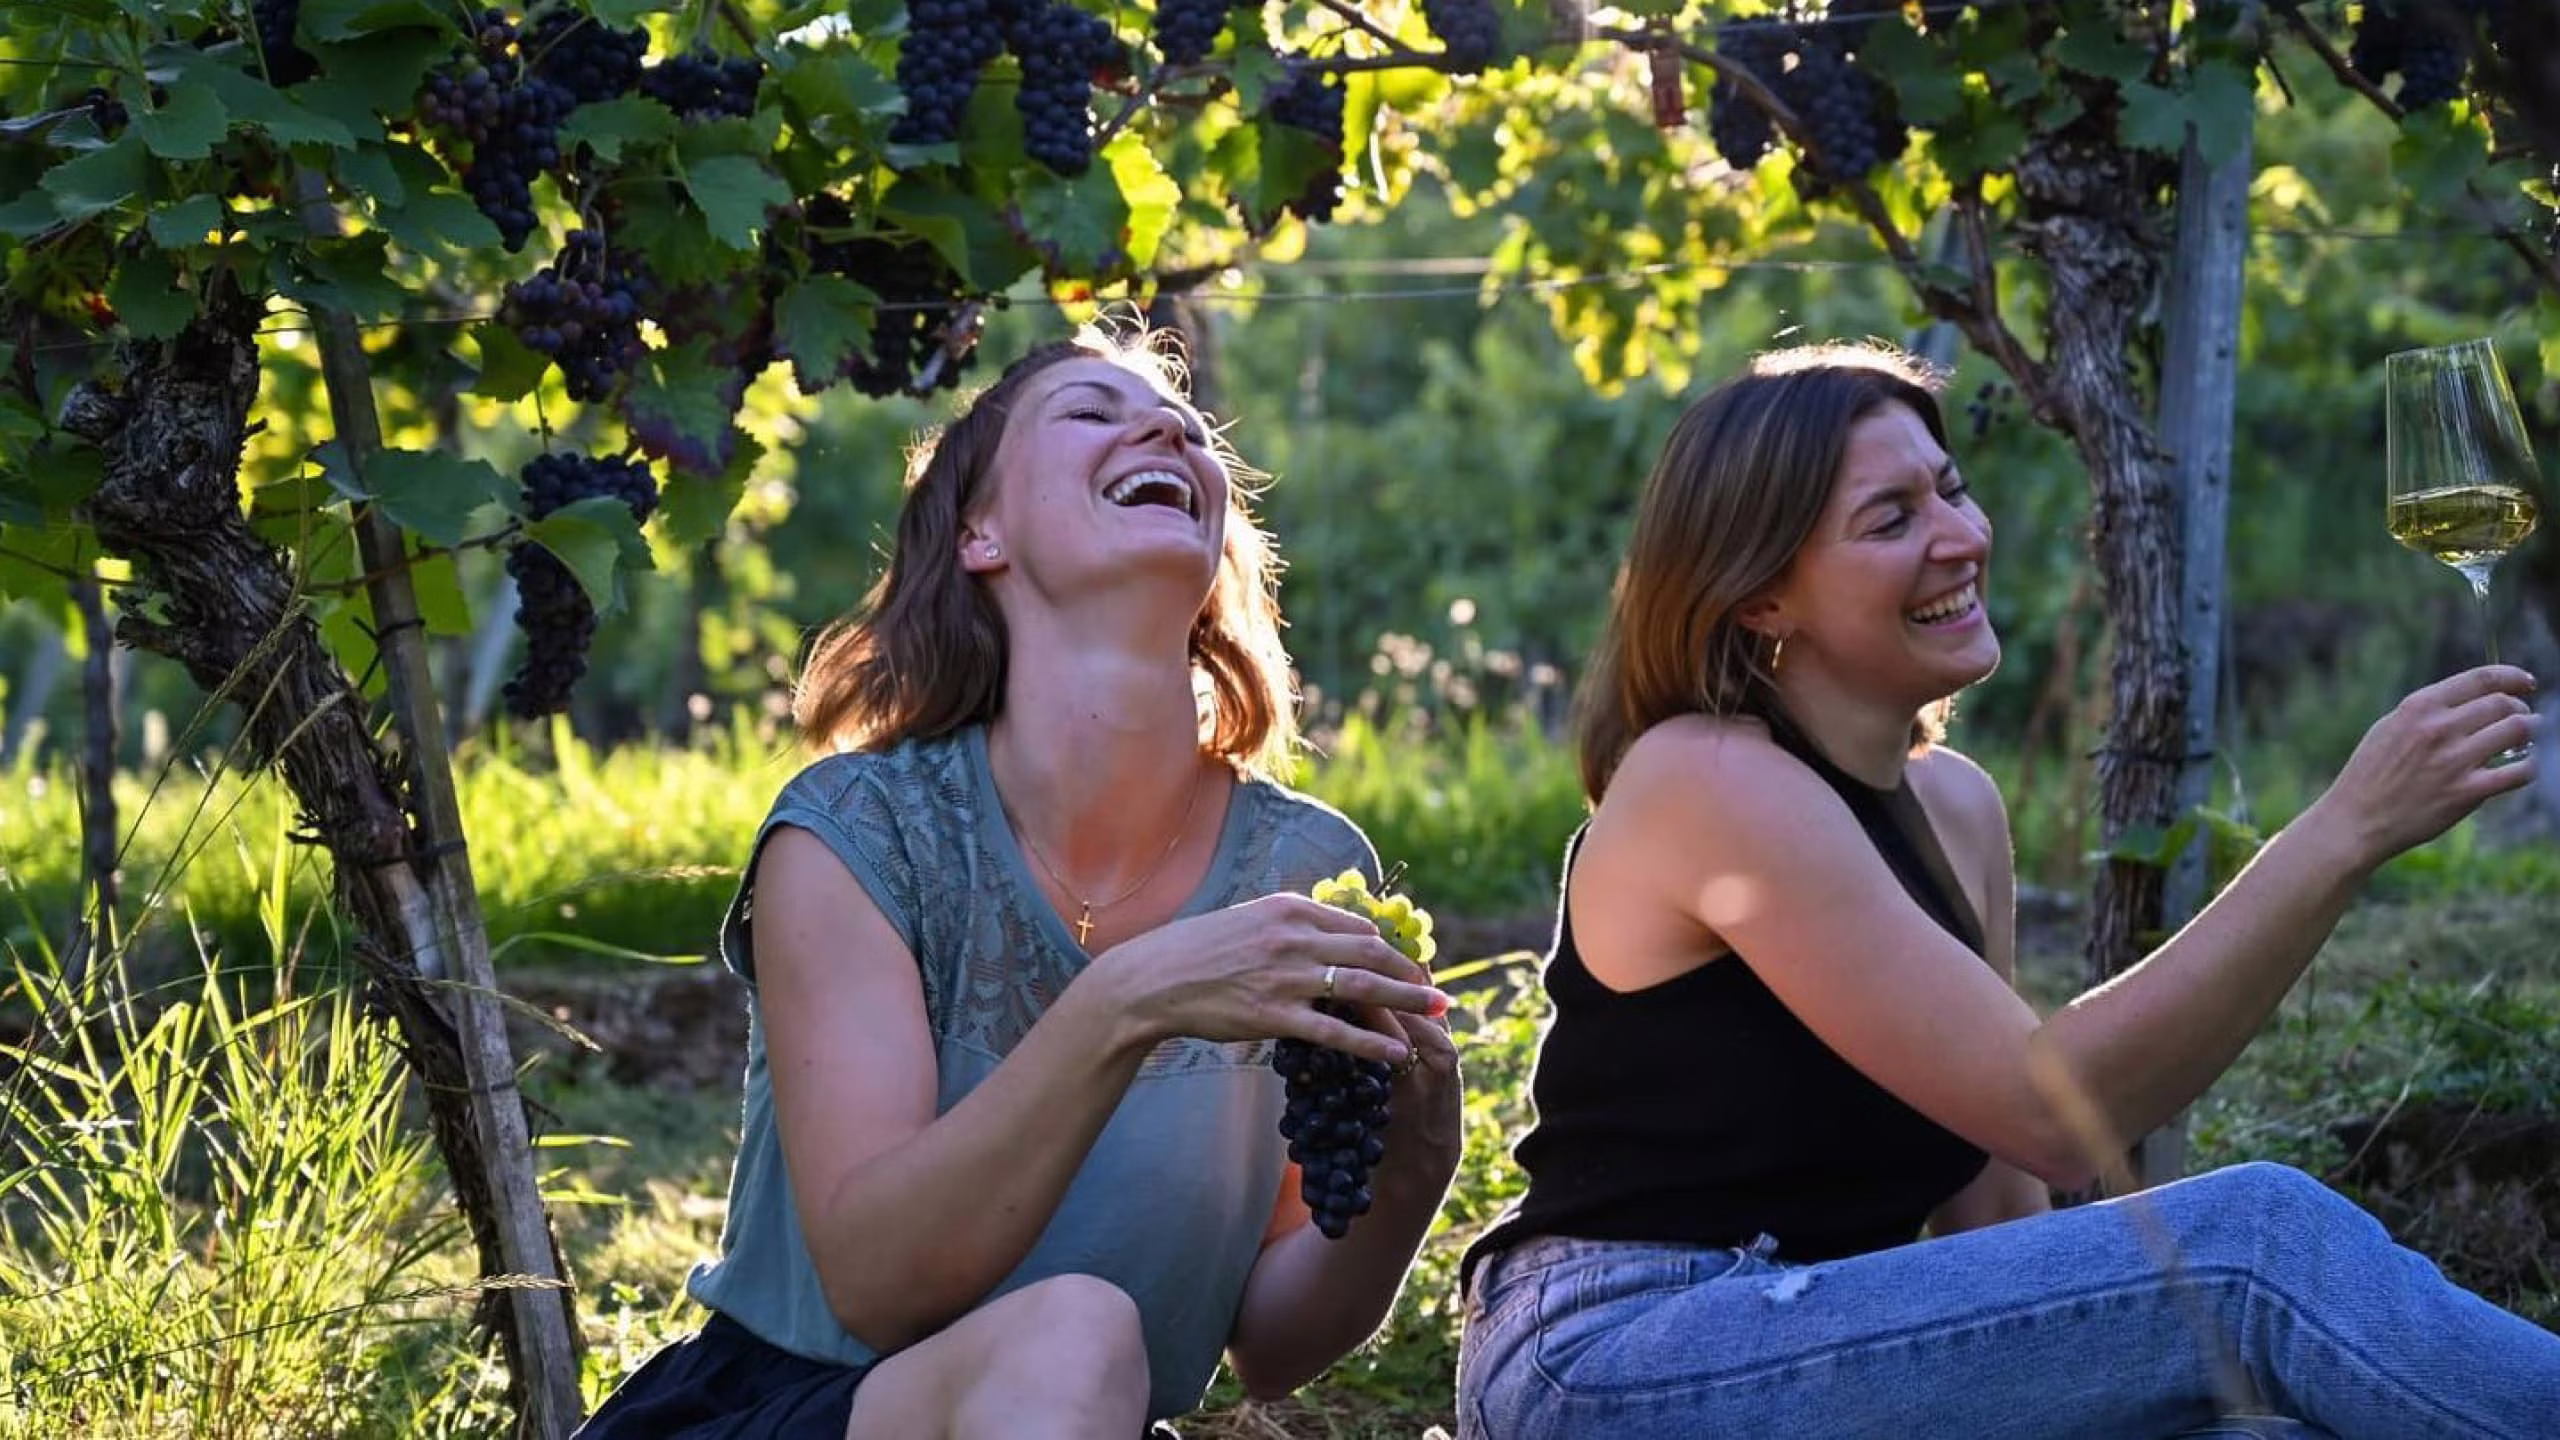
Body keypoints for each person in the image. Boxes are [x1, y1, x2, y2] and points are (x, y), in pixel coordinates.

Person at [1453, 341, 2560, 1439]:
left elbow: (1998, 1206)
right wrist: (2343, 831)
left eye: (1950, 489)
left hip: (1815, 1349)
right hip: (1614, 1357)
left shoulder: (1958, 809)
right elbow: (2054, 1116)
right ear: (1760, 603)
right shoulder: (1708, 778)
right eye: (1889, 521)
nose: (1959, 538)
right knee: (2255, 1243)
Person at [574, 324, 1462, 1440]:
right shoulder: (854, 834)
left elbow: (1270, 1345)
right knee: (1075, 1333)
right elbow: (880, 1285)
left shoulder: (1303, 871)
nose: (1166, 430)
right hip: (798, 1412)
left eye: (1186, 430)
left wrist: (1415, 1166)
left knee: (1080, 1349)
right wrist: (1126, 1003)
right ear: (979, 534)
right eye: (1091, 412)